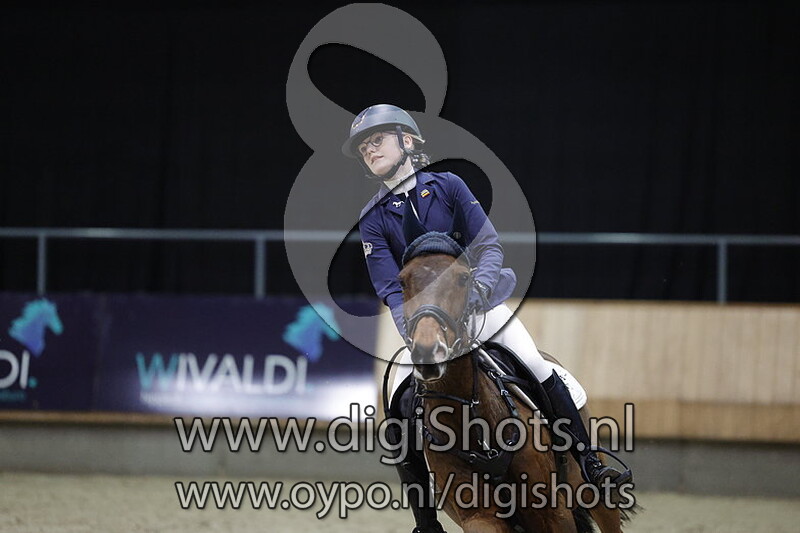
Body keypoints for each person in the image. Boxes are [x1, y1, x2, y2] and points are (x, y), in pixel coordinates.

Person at [344, 104, 632, 533]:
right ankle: (426, 521)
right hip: (424, 323)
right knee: (397, 401)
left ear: (407, 140)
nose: (370, 150)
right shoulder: (373, 217)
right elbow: (388, 286)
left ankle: (589, 463)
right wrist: (416, 331)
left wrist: (478, 290)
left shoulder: (449, 186)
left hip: (478, 307)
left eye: (377, 140)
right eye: (364, 146)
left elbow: (489, 246)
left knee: (537, 366)